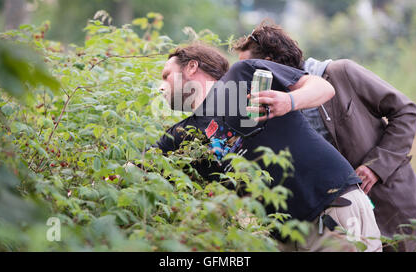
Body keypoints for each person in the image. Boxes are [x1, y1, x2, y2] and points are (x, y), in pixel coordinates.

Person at [155, 42, 382, 251]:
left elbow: (323, 87)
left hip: (331, 208)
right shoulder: (181, 135)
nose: (160, 87)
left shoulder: (242, 74)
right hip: (285, 239)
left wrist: (288, 101)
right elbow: (139, 167)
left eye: (166, 76)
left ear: (191, 67)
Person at [233, 21, 416, 251]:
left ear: (267, 65)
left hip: (393, 206)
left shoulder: (341, 72)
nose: (245, 79)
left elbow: (405, 111)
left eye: (248, 67)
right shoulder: (273, 109)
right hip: (341, 225)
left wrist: (376, 166)